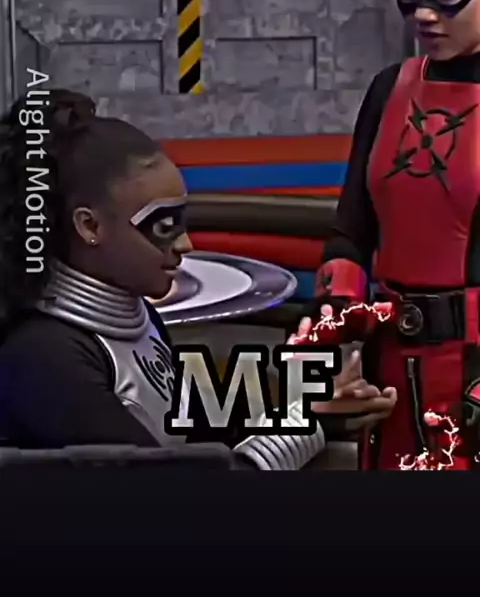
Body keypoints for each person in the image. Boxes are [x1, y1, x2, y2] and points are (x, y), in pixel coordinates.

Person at [0, 86, 395, 470]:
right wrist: (308, 423)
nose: (184, 244)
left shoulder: (136, 318)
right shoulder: (43, 358)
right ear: (90, 226)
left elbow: (207, 439)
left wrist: (319, 408)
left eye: (180, 222)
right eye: (162, 226)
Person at [313, 0, 480, 470]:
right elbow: (351, 233)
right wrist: (335, 346)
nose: (423, 15)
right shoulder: (391, 88)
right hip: (391, 374)